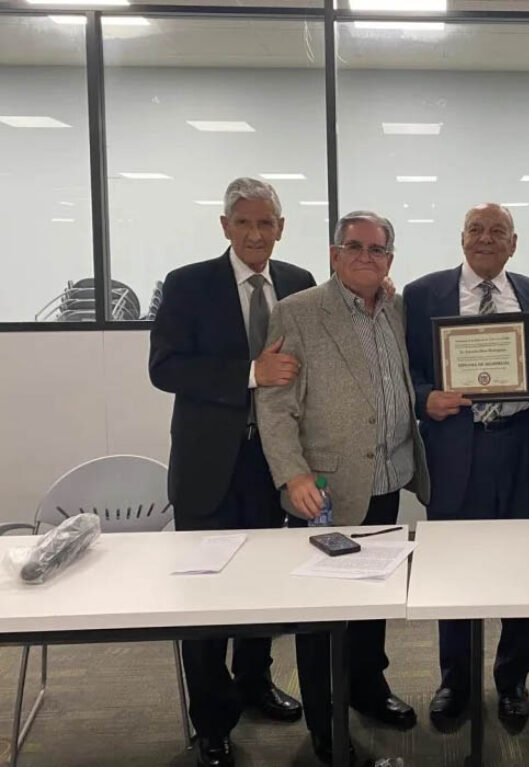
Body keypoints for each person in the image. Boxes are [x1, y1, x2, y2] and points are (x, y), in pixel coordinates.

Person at [149, 177, 312, 767]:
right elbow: (165, 368)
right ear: (225, 227)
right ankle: (212, 719)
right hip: (207, 466)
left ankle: (255, 681)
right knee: (205, 598)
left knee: (264, 588)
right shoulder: (188, 284)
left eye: (266, 223)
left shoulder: (298, 283)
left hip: (272, 464)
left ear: (280, 228)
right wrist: (249, 373)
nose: (255, 233)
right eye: (243, 222)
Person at [256, 210, 428, 766]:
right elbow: (275, 406)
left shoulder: (397, 309)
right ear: (334, 254)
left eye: (377, 250)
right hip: (324, 489)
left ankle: (369, 690)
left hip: (387, 478)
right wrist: (293, 474)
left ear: (390, 261)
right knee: (323, 614)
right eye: (353, 246)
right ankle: (327, 725)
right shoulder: (298, 312)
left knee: (373, 597)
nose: (365, 257)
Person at [403, 202, 529, 731]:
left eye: (499, 231)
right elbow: (405, 372)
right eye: (477, 229)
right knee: (453, 568)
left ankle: (513, 679)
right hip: (456, 448)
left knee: (522, 568)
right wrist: (425, 398)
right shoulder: (423, 294)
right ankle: (457, 680)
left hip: (522, 448)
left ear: (514, 243)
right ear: (461, 238)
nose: (486, 238)